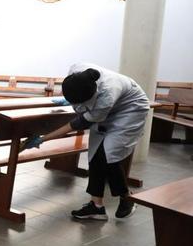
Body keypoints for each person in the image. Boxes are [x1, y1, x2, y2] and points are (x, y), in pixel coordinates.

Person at [20, 63, 150, 220]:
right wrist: (69, 100)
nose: (76, 106)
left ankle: (127, 199)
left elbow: (78, 123)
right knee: (96, 154)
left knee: (107, 156)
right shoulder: (76, 70)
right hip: (110, 107)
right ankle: (96, 207)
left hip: (130, 110)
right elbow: (80, 105)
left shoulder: (107, 95)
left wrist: (43, 138)